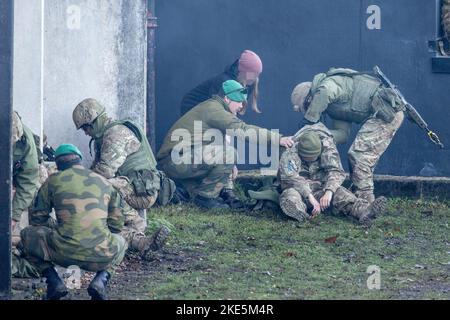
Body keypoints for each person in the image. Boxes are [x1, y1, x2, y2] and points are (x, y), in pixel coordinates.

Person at [158, 79, 294, 210]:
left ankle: (208, 195)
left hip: (181, 160)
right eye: (239, 102)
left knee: (225, 156)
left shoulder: (213, 108)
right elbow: (244, 130)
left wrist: (230, 165)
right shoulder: (214, 110)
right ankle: (206, 199)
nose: (241, 107)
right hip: (173, 162)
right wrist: (277, 139)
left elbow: (215, 142)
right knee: (229, 154)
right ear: (227, 99)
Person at [15, 144, 127, 300]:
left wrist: (57, 226)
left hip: (63, 254)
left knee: (27, 235)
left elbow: (37, 219)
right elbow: (116, 225)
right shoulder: (104, 182)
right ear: (79, 160)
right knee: (122, 241)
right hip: (101, 256)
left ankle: (54, 281)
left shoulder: (52, 181)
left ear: (58, 165)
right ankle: (101, 280)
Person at [72, 98, 171, 257]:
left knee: (98, 189)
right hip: (137, 186)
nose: (85, 132)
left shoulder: (115, 135)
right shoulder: (110, 132)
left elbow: (103, 173)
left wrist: (74, 184)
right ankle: (136, 236)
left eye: (86, 127)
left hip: (140, 192)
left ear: (95, 122)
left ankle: (136, 225)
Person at [291, 67, 406, 203]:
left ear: (310, 98)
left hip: (386, 112)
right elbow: (342, 134)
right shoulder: (334, 108)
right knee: (358, 155)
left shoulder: (329, 84)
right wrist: (320, 136)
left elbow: (325, 92)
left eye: (308, 106)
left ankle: (365, 200)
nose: (310, 109)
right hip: (381, 115)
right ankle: (359, 195)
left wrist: (309, 120)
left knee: (359, 155)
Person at [278, 123, 387, 226]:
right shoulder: (291, 151)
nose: (311, 161)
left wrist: (329, 192)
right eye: (307, 158)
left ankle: (364, 211)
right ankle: (298, 213)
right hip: (299, 190)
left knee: (340, 193)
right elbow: (290, 178)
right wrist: (310, 196)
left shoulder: (327, 146)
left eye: (313, 158)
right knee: (290, 195)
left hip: (320, 188)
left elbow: (336, 171)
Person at [180, 50, 263, 116]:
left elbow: (233, 110)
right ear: (242, 71)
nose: (255, 78)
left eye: (257, 75)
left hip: (209, 111)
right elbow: (216, 111)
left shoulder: (249, 84)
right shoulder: (223, 83)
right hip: (191, 107)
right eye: (252, 74)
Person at [11, 112, 40, 245]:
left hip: (14, 171)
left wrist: (14, 216)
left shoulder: (25, 140)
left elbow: (28, 180)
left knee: (37, 189)